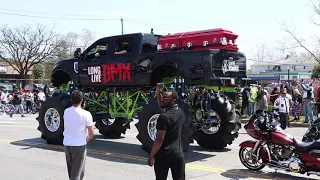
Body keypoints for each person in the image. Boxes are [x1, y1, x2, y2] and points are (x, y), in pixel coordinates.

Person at [148, 89, 185, 180]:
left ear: (173, 100)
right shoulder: (180, 112)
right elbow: (162, 106)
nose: (162, 99)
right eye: (162, 97)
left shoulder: (163, 117)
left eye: (165, 98)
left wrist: (151, 156)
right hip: (178, 155)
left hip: (163, 156)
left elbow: (159, 139)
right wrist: (158, 94)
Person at [63, 90, 94, 180]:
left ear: (71, 100)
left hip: (67, 143)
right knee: (76, 174)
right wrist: (87, 139)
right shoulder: (86, 114)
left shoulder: (66, 111)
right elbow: (91, 132)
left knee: (75, 171)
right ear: (82, 100)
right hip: (79, 144)